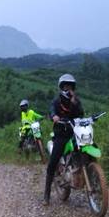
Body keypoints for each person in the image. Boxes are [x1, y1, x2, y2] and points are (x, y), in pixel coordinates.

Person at [44, 74, 83, 205]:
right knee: (53, 162)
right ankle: (47, 195)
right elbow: (51, 110)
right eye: (66, 86)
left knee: (85, 149)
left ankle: (88, 175)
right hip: (60, 134)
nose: (68, 89)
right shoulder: (57, 101)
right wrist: (54, 116)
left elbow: (81, 113)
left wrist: (73, 102)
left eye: (70, 87)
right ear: (61, 87)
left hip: (74, 133)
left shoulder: (76, 101)